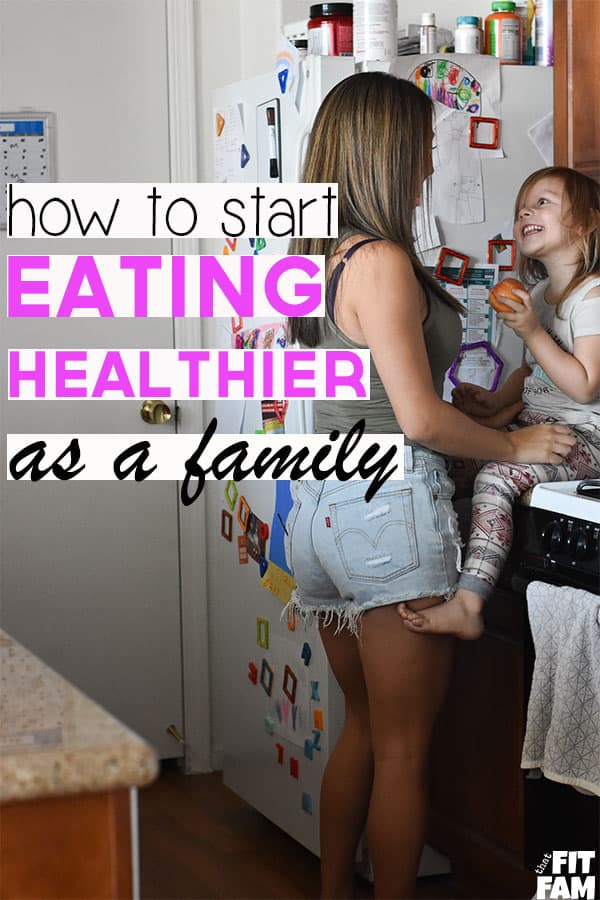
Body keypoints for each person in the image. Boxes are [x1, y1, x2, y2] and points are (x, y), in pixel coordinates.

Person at [285, 75, 576, 900]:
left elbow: (379, 394)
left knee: (366, 732)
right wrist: (515, 438)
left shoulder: (322, 255)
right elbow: (413, 421)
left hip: (323, 506)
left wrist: (480, 412)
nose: (427, 164)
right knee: (406, 752)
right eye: (421, 144)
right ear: (385, 149)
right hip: (386, 510)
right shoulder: (379, 259)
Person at [399, 165, 600, 642]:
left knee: (494, 473)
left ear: (590, 222)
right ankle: (436, 579)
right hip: (540, 430)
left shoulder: (592, 296)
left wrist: (531, 331)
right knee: (452, 467)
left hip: (587, 440)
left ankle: (469, 603)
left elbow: (587, 386)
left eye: (543, 202)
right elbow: (532, 374)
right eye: (521, 208)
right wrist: (492, 404)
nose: (526, 211)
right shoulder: (537, 295)